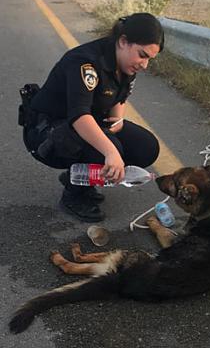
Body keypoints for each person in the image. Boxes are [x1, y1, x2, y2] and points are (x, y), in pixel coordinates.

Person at [22, 13, 164, 222]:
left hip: (80, 124)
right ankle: (74, 195)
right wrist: (111, 152)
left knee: (146, 147)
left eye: (149, 59)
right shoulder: (85, 63)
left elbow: (119, 96)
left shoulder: (125, 62)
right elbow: (79, 116)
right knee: (109, 149)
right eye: (142, 55)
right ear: (123, 41)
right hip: (46, 133)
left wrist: (116, 122)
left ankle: (80, 176)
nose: (144, 65)